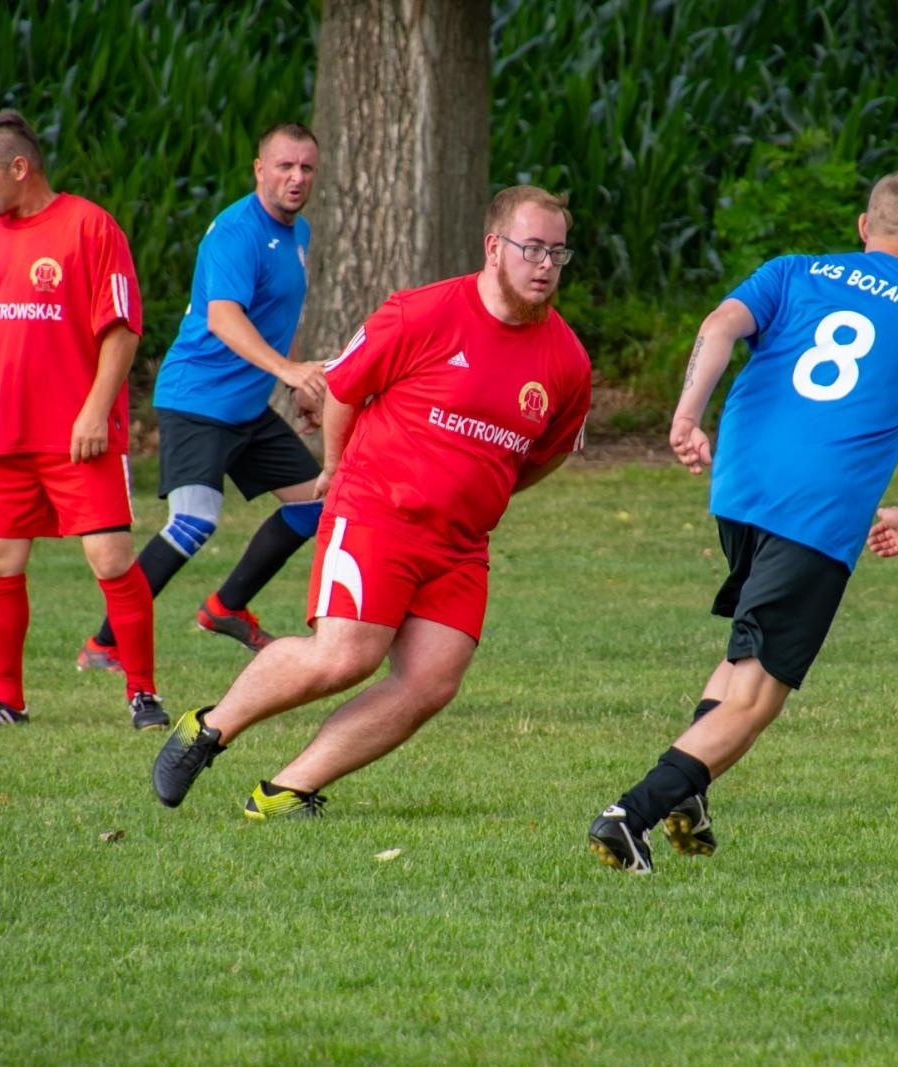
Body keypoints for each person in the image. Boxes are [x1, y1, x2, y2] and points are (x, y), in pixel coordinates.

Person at [151, 185, 591, 819]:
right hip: (377, 513)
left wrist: (487, 490)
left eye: (557, 252)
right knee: (343, 658)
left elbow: (547, 452)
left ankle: (283, 792)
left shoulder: (567, 360)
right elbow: (344, 388)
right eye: (532, 248)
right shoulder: (421, 313)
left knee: (431, 682)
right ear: (494, 248)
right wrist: (335, 468)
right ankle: (209, 728)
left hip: (460, 545)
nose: (545, 265)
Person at [587, 172, 898, 874]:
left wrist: (686, 416)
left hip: (740, 489)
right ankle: (630, 816)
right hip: (817, 512)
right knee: (759, 696)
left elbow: (717, 327)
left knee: (745, 654)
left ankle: (688, 794)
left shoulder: (794, 270)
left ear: (864, 227)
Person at [0, 109, 168, 730]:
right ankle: (6, 700)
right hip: (2, 438)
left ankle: (143, 694)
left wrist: (95, 410)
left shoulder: (89, 227)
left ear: (19, 168)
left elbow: (122, 329)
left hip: (78, 438)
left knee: (111, 557)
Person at [77, 122, 327, 672]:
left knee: (319, 505)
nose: (296, 177)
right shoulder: (236, 232)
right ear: (259, 169)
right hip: (197, 400)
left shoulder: (299, 232)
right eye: (284, 166)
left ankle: (225, 608)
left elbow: (279, 315)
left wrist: (297, 389)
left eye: (306, 168)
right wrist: (288, 371)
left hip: (247, 409)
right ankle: (104, 644)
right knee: (193, 522)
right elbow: (224, 318)